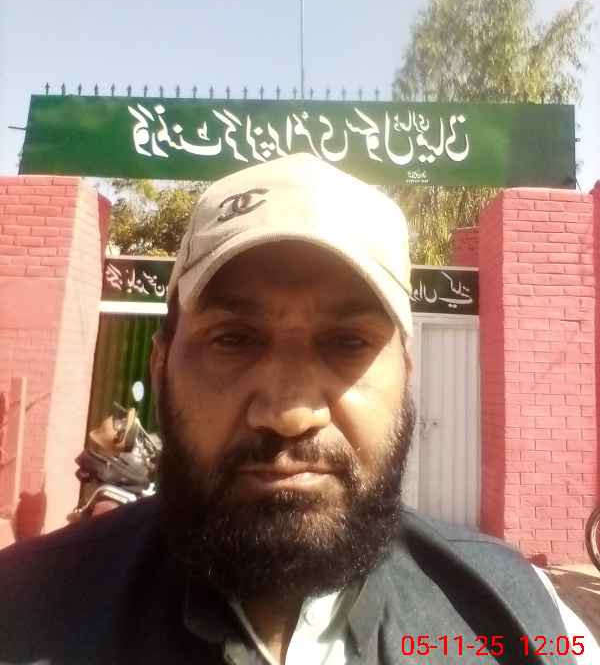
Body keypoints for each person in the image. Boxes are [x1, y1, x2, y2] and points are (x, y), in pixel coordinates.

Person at [0, 153, 596, 665]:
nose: (289, 414)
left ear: (406, 376)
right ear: (160, 367)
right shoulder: (23, 609)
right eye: (233, 339)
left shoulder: (521, 616)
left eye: (347, 342)